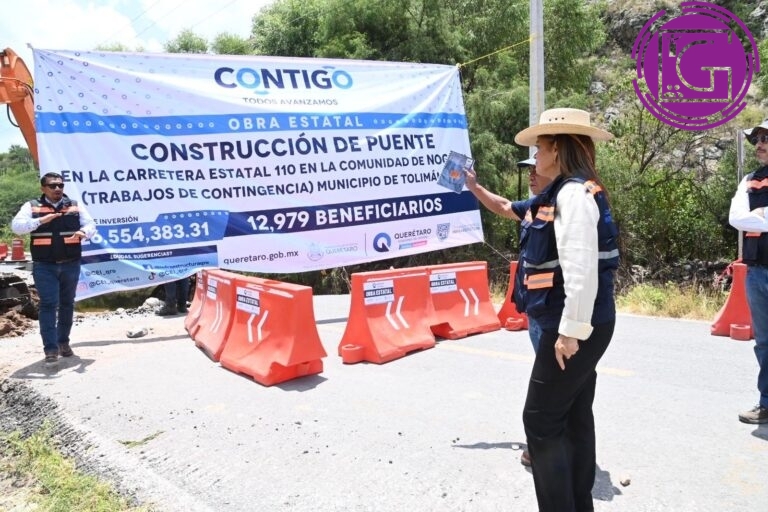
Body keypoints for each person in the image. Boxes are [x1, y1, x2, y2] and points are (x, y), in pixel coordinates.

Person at [513, 107, 618, 512]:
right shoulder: (569, 190)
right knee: (574, 415)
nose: (535, 157)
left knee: (540, 421)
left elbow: (580, 266)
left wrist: (570, 330)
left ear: (557, 148)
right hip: (586, 320)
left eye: (539, 148)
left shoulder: (573, 193)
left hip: (575, 322)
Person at [11, 172, 96, 368]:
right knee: (49, 305)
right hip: (45, 265)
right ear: (43, 188)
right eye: (53, 186)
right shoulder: (31, 206)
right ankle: (50, 349)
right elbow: (17, 227)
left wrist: (84, 232)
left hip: (70, 263)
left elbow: (91, 224)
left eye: (60, 185)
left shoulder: (73, 205)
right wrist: (41, 220)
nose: (57, 189)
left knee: (67, 303)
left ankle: (63, 343)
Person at [727, 117, 768, 425]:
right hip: (757, 274)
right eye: (758, 140)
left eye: (766, 139)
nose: (761, 145)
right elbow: (737, 217)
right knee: (764, 342)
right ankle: (766, 403)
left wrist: (759, 215)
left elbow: (749, 217)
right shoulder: (750, 180)